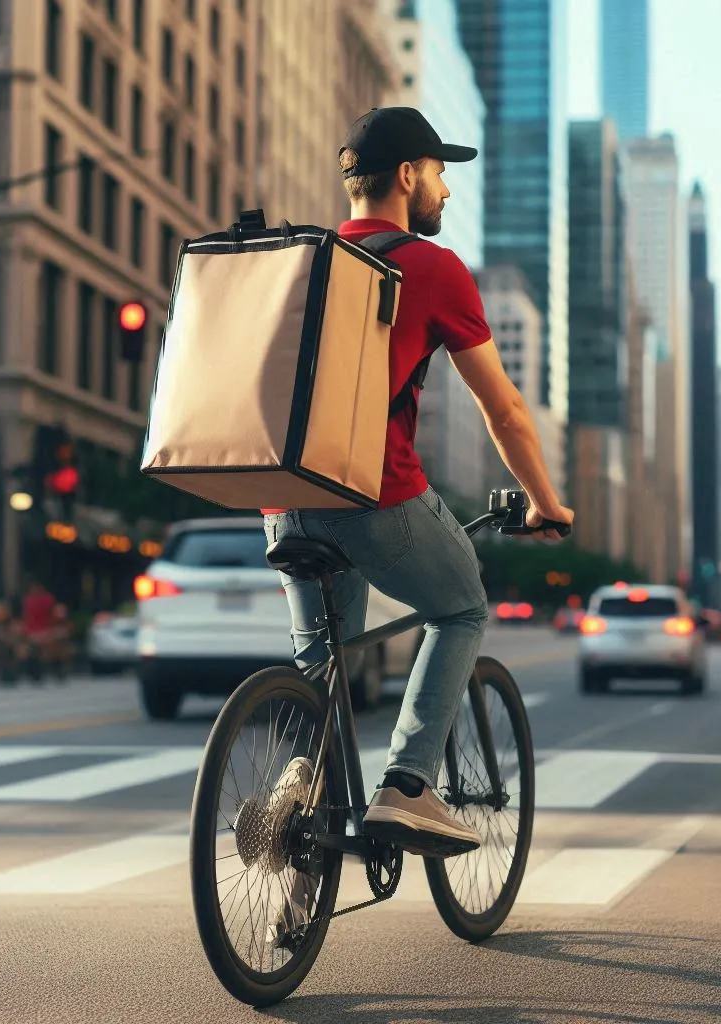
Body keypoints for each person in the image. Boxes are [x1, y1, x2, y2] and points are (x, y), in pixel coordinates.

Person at [262, 108, 573, 857]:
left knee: (321, 672)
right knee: (461, 607)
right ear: (407, 176)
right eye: (440, 174)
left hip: (280, 502)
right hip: (374, 495)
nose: (446, 192)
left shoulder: (299, 259)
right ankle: (407, 786)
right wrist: (545, 501)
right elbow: (505, 409)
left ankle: (291, 835)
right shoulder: (432, 268)